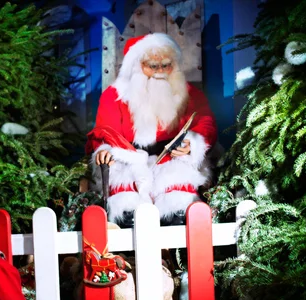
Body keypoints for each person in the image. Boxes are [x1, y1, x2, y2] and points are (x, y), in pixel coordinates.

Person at [86, 33, 217, 226]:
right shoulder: (114, 95)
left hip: (172, 157)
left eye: (166, 65)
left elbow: (205, 121)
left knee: (179, 188)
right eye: (152, 66)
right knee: (125, 192)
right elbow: (105, 129)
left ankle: (176, 221)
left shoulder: (188, 94)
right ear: (136, 66)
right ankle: (128, 223)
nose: (160, 71)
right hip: (129, 157)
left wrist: (193, 142)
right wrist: (105, 150)